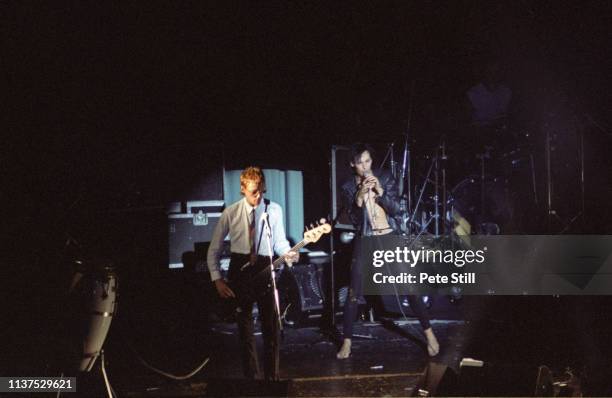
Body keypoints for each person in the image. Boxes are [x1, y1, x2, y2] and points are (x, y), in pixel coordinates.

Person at [337, 144, 439, 359]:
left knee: (409, 287)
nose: (365, 166)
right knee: (354, 291)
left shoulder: (385, 177)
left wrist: (380, 192)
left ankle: (429, 334)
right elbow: (354, 219)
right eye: (360, 163)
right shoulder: (347, 186)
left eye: (368, 161)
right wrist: (359, 196)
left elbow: (397, 209)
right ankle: (347, 342)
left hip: (388, 236)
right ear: (352, 164)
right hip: (365, 239)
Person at [207, 166, 298, 380]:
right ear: (242, 189)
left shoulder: (274, 210)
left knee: (272, 326)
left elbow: (280, 243)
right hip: (240, 268)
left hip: (265, 267)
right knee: (245, 328)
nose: (257, 196)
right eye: (252, 192)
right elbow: (214, 250)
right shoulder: (231, 213)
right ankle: (251, 379)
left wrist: (290, 254)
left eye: (260, 191)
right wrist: (217, 279)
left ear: (264, 186)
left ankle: (271, 379)